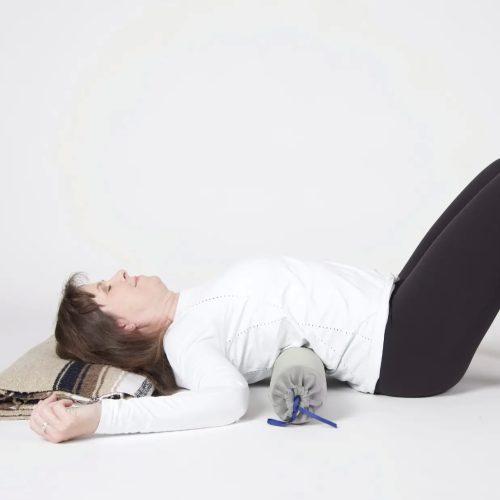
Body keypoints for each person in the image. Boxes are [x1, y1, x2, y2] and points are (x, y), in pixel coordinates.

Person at [30, 158, 500, 444]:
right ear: (124, 327)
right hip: (405, 344)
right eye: (109, 289)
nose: (121, 274)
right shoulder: (187, 340)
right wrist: (97, 419)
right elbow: (224, 401)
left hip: (396, 301)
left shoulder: (197, 303)